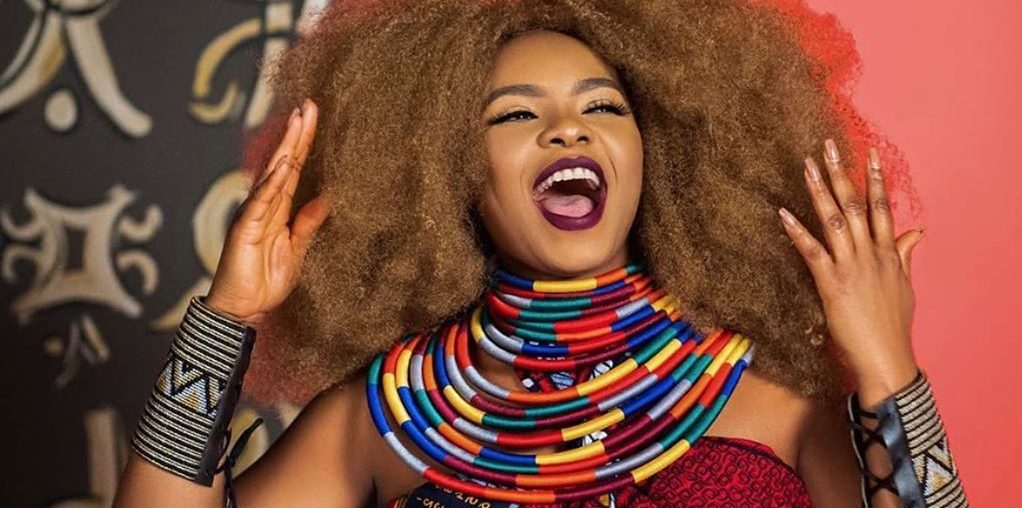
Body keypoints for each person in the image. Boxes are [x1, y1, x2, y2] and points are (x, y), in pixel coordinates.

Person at [114, 1, 967, 506]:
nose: (568, 129)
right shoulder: (386, 419)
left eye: (603, 106)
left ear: (657, 151)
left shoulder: (776, 399)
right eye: (516, 115)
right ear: (452, 173)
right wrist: (226, 320)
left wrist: (888, 370)